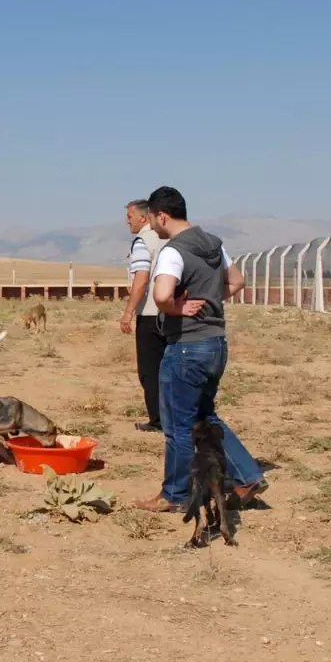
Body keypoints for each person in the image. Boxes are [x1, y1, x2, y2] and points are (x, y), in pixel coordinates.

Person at [133, 186, 269, 514]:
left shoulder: (172, 250)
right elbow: (237, 282)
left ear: (162, 216)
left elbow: (163, 295)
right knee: (204, 416)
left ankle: (175, 495)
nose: (152, 226)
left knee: (178, 426)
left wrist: (179, 308)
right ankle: (247, 476)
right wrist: (209, 299)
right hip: (215, 344)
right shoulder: (213, 244)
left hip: (186, 347)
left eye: (152, 220)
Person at [120, 198, 167, 433]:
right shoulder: (168, 237)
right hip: (171, 310)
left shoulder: (143, 241)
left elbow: (141, 279)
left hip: (150, 313)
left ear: (143, 217)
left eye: (129, 217)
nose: (127, 222)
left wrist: (128, 312)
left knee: (150, 370)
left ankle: (158, 420)